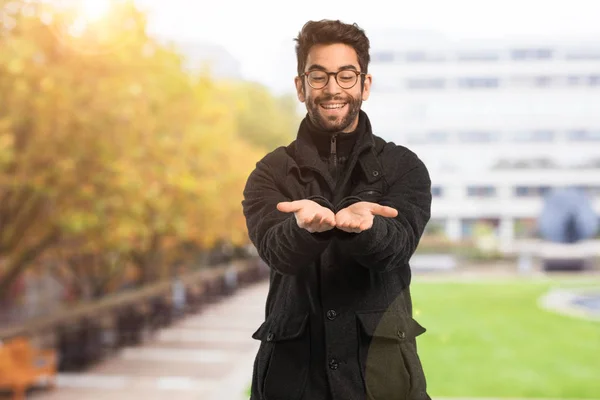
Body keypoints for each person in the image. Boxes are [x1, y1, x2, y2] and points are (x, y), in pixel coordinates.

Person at [242, 19, 432, 400]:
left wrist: (367, 228)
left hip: (382, 380)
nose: (332, 89)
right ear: (301, 86)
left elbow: (397, 248)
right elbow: (274, 252)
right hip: (292, 380)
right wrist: (301, 227)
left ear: (365, 84)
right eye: (318, 76)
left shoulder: (404, 167)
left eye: (346, 76)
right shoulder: (270, 172)